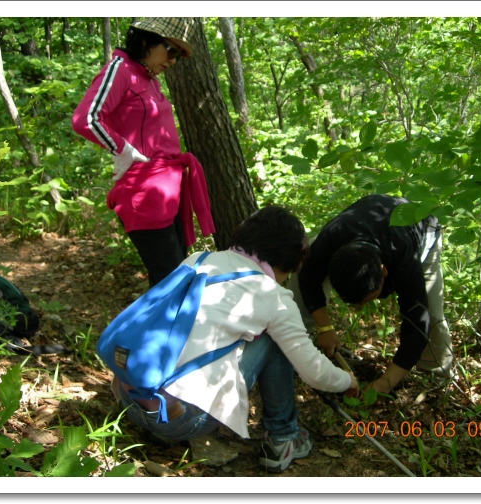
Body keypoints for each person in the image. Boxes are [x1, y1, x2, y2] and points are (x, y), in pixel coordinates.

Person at [111, 206, 359, 472]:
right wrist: (347, 380)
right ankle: (283, 437)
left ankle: (159, 425)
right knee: (275, 340)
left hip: (129, 397)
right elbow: (313, 372)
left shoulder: (198, 260)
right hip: (182, 419)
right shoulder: (273, 295)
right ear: (289, 259)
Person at [72, 18, 215, 288]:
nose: (173, 61)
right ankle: (162, 330)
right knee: (173, 283)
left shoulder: (148, 78)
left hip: (167, 188)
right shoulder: (120, 69)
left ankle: (166, 329)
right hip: (145, 192)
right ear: (147, 40)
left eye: (179, 57)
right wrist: (123, 149)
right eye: (171, 50)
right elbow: (86, 119)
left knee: (172, 278)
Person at [289, 194, 454, 396]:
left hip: (417, 231)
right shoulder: (329, 240)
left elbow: (417, 325)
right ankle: (295, 345)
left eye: (368, 299)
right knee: (301, 274)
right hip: (354, 232)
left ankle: (437, 378)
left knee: (432, 315)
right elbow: (308, 279)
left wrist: (384, 384)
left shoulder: (405, 259)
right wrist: (325, 327)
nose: (361, 308)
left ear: (384, 271)